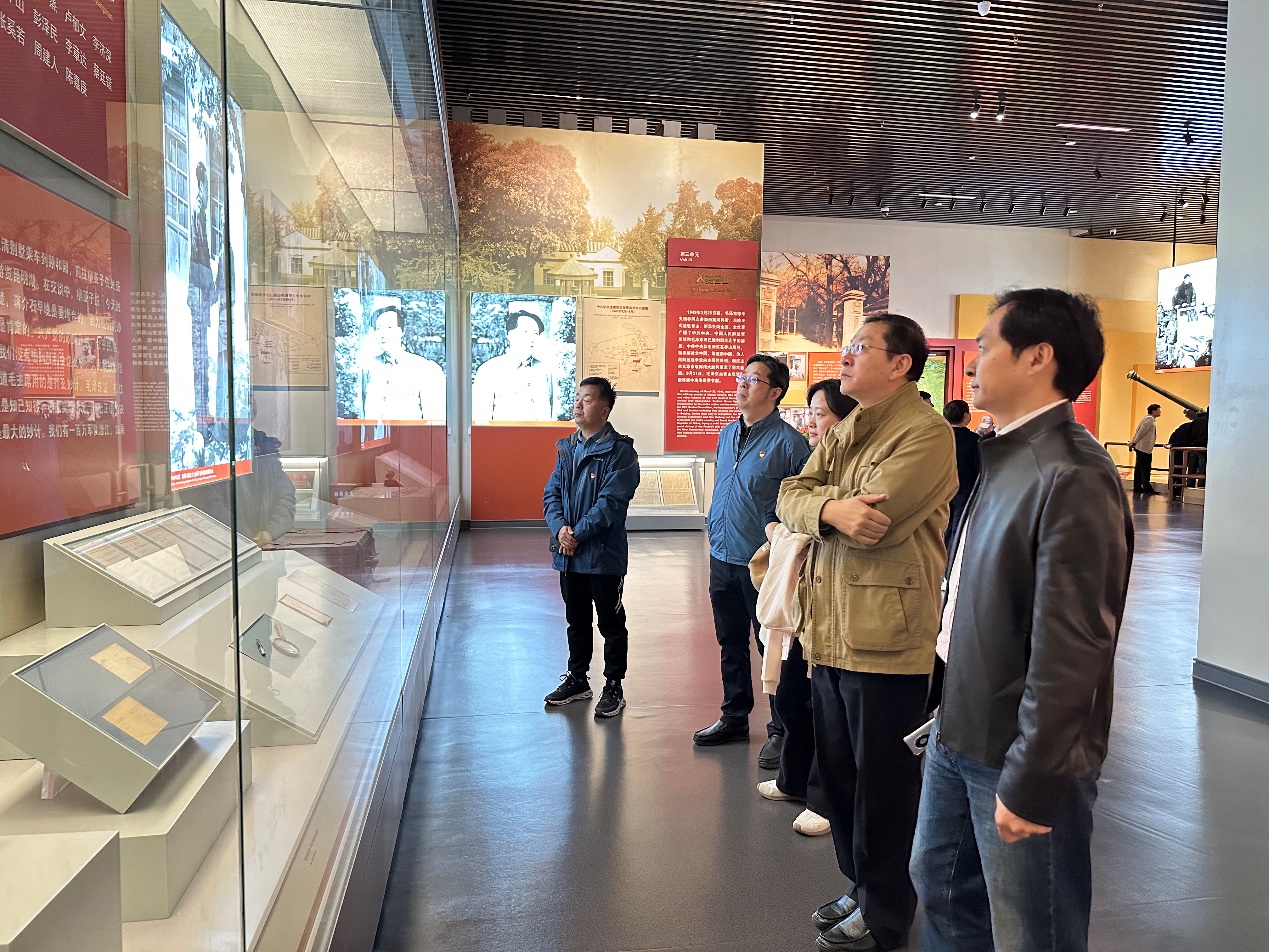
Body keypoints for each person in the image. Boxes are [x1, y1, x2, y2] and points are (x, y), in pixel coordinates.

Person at [910, 289, 1133, 952]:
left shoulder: (1073, 473)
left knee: (1031, 929)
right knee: (942, 887)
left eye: (984, 346)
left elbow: (1075, 648)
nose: (971, 362)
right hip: (959, 723)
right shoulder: (1005, 454)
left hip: (1016, 747)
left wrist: (1034, 777)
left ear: (1037, 357)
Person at [777, 315, 957, 952]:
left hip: (886, 639)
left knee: (884, 788)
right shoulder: (849, 426)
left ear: (901, 364)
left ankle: (886, 915)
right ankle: (860, 886)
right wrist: (830, 506)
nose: (845, 357)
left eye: (859, 347)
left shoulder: (927, 435)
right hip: (828, 631)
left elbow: (876, 523)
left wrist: (823, 507)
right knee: (842, 778)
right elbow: (790, 495)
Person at [694, 355, 810, 765]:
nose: (743, 384)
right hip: (721, 555)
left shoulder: (790, 444)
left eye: (754, 380)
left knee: (772, 646)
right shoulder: (727, 433)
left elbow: (801, 503)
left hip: (762, 563)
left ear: (775, 392)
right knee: (730, 641)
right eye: (742, 377)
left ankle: (781, 729)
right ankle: (734, 716)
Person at [758, 378, 857, 838]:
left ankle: (824, 798)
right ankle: (793, 779)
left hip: (832, 605)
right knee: (792, 695)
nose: (811, 423)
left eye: (820, 414)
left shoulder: (854, 468)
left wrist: (800, 521)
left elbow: (822, 521)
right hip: (800, 602)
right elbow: (786, 505)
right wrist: (790, 524)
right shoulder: (814, 463)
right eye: (811, 413)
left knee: (827, 707)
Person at [543, 377, 640, 718]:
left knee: (610, 622)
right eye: (577, 397)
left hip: (602, 556)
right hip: (568, 555)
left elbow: (611, 503)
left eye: (587, 399)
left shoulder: (621, 452)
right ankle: (578, 679)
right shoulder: (567, 449)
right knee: (576, 619)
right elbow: (552, 494)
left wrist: (576, 535)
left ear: (605, 410)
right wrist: (561, 529)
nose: (578, 404)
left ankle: (613, 685)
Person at [360, 304, 447, 421]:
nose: (383, 334)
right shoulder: (369, 368)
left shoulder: (424, 368)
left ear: (401, 331)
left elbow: (434, 421)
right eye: (378, 328)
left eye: (389, 327)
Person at [472, 304, 556, 421]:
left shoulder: (545, 370)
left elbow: (550, 412)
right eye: (525, 332)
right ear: (510, 335)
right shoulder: (489, 370)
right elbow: (480, 420)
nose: (531, 338)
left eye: (535, 333)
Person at [942, 399, 980, 546]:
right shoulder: (975, 440)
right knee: (958, 530)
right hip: (964, 491)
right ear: (965, 415)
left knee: (942, 528)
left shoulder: (940, 437)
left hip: (942, 490)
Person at [1128, 403, 1162, 495]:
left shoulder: (1148, 419)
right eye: (1158, 410)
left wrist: (1133, 442)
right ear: (1153, 411)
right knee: (1145, 469)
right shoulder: (1149, 419)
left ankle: (1138, 486)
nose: (1160, 412)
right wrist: (1134, 442)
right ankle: (1147, 487)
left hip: (1143, 448)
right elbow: (1141, 432)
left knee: (1139, 468)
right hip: (1144, 448)